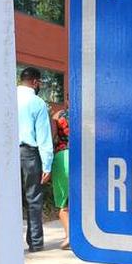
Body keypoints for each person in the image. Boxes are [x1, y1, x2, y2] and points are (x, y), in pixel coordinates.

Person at [17, 67, 54, 252]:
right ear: (35, 82)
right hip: (29, 154)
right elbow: (44, 137)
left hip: (7, 154)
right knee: (33, 198)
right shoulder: (38, 103)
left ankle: (10, 241)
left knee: (9, 198)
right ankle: (36, 242)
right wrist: (47, 165)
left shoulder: (7, 98)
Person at [51, 104, 70, 250]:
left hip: (62, 156)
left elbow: (51, 137)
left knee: (64, 202)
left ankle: (69, 234)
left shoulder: (58, 116)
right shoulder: (89, 117)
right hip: (83, 157)